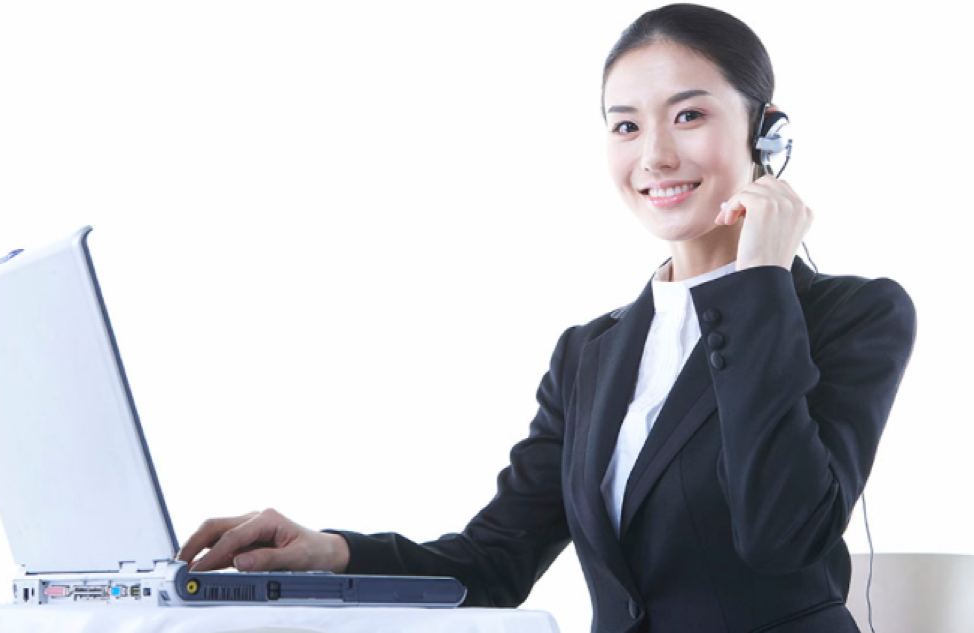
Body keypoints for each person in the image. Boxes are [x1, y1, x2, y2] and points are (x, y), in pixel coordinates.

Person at [178, 4, 916, 632]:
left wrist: (759, 282)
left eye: (689, 115)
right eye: (625, 126)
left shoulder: (854, 315)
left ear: (766, 132)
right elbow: (493, 563)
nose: (656, 155)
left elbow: (781, 534)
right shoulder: (590, 354)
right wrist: (329, 552)